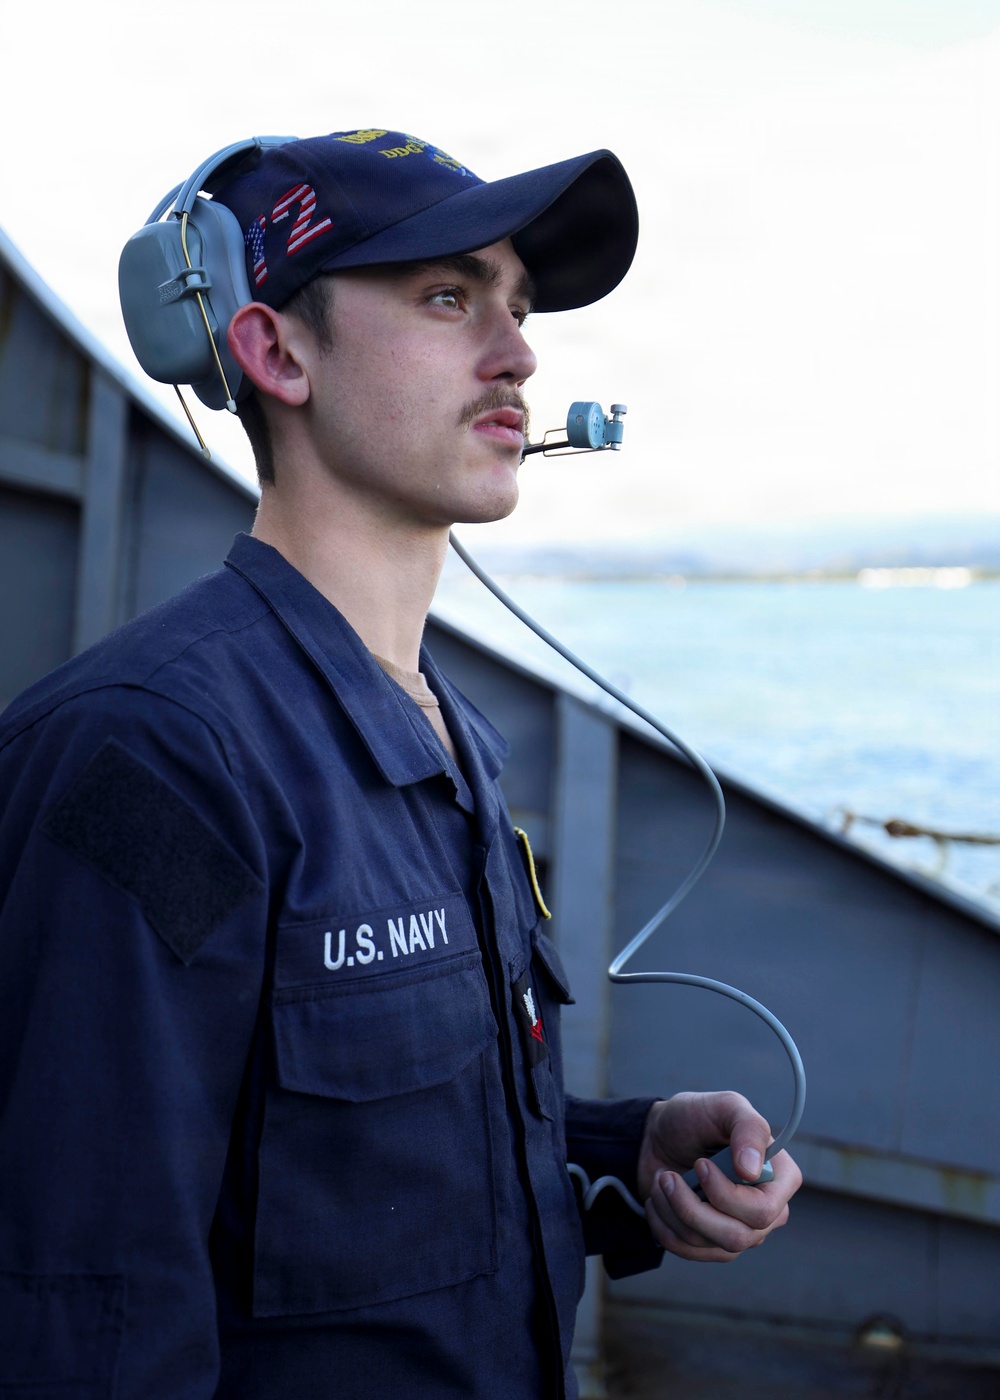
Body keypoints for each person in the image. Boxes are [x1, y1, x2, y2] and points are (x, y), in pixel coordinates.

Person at [0, 129, 801, 1398]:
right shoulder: (157, 757)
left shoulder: (444, 728)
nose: (519, 351)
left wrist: (624, 1154)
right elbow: (81, 1305)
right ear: (274, 349)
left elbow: (355, 1160)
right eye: (447, 295)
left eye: (520, 306)